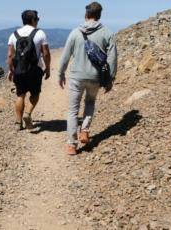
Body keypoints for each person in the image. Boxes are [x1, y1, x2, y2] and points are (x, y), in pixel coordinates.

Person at [58, 2, 117, 155]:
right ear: (99, 15)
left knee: (72, 110)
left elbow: (65, 56)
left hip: (77, 77)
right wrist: (110, 78)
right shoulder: (107, 33)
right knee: (90, 102)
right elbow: (112, 58)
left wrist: (61, 73)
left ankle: (71, 145)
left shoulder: (75, 32)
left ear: (86, 15)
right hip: (95, 77)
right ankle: (84, 130)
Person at [7, 10, 51, 130]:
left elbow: (10, 55)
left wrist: (11, 70)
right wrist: (47, 69)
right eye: (37, 19)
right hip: (34, 70)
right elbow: (46, 53)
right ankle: (27, 114)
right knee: (35, 94)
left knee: (20, 95)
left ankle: (18, 123)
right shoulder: (40, 33)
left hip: (19, 70)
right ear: (33, 20)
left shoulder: (14, 35)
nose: (37, 21)